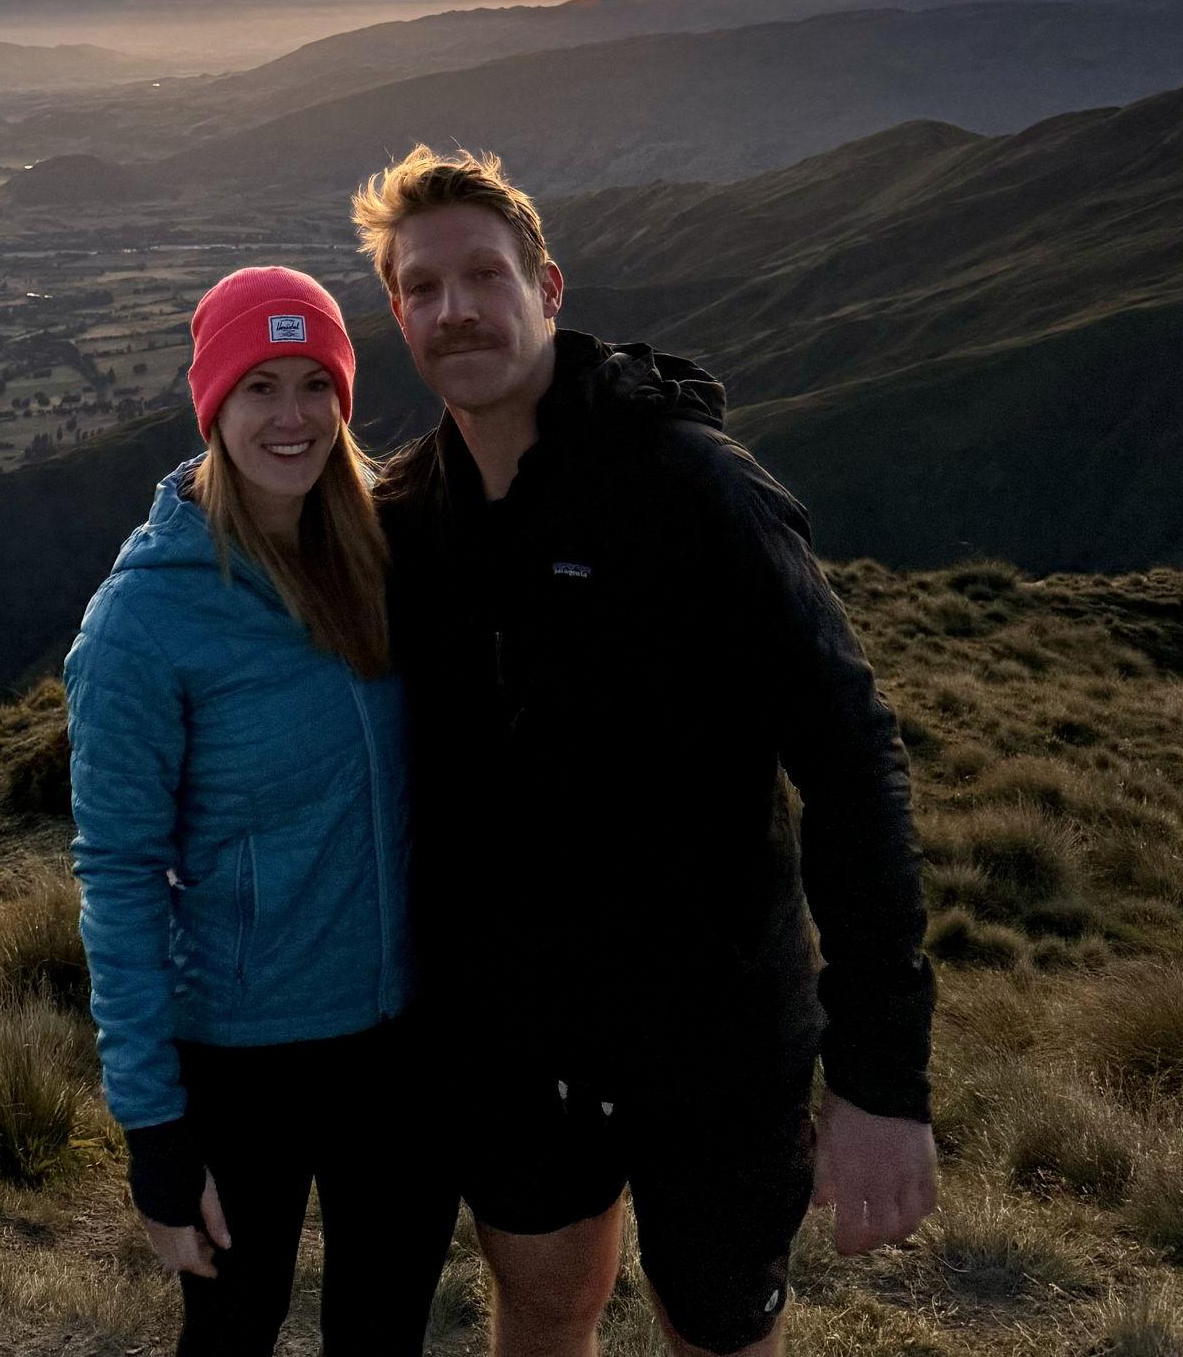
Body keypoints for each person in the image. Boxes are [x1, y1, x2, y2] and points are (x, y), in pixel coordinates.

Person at [350, 146, 938, 1357]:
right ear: (395, 312)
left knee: (714, 1329)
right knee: (545, 1303)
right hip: (510, 1035)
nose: (454, 308)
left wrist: (879, 1078)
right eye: (420, 286)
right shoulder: (407, 519)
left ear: (547, 288)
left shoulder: (691, 489)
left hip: (715, 1036)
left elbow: (850, 762)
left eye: (482, 275)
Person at [64, 265, 458, 1357]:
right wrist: (152, 1126)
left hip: (398, 1041)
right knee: (234, 1331)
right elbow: (118, 876)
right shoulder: (142, 620)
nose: (291, 417)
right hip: (243, 1058)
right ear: (212, 405)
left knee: (383, 1331)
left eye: (312, 384)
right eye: (257, 387)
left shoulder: (382, 549)